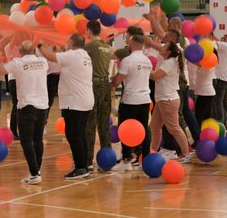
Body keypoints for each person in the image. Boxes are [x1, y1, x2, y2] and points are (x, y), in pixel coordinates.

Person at [0, 40, 49, 185]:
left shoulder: (17, 63)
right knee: (37, 140)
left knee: (26, 142)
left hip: (27, 107)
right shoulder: (43, 62)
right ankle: (36, 170)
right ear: (34, 50)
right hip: (43, 107)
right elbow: (37, 54)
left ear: (20, 51)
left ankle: (34, 173)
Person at [39, 34, 94, 179]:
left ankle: (80, 167)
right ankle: (84, 165)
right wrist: (60, 49)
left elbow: (50, 56)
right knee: (79, 133)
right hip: (84, 99)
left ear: (72, 43)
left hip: (74, 101)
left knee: (73, 134)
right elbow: (60, 56)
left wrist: (39, 42)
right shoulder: (84, 55)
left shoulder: (73, 55)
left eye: (68, 42)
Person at [111, 35, 152, 171]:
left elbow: (117, 81)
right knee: (143, 129)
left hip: (130, 100)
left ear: (132, 44)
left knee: (125, 128)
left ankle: (127, 159)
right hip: (145, 99)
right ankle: (145, 160)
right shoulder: (147, 61)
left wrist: (110, 82)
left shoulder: (128, 60)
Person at [149, 42, 192, 164]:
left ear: (168, 51)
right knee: (155, 127)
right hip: (162, 99)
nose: (161, 47)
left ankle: (186, 153)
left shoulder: (169, 62)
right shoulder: (167, 59)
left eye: (164, 47)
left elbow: (156, 76)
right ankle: (153, 151)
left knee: (174, 128)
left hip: (167, 99)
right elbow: (158, 48)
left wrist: (145, 68)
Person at [84, 21, 113, 170]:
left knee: (90, 124)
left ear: (89, 31)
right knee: (104, 124)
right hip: (106, 85)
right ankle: (106, 161)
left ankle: (88, 162)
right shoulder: (106, 47)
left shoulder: (90, 46)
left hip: (94, 85)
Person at [193, 38, 217, 125]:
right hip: (206, 92)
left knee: (200, 115)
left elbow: (194, 60)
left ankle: (201, 134)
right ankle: (207, 133)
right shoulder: (208, 61)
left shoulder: (208, 62)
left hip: (205, 93)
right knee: (206, 115)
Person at [5, 35, 22, 140]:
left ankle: (20, 130)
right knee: (16, 104)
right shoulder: (8, 47)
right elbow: (14, 39)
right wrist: (17, 30)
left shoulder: (21, 48)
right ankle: (13, 131)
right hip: (14, 80)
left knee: (22, 105)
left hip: (22, 80)